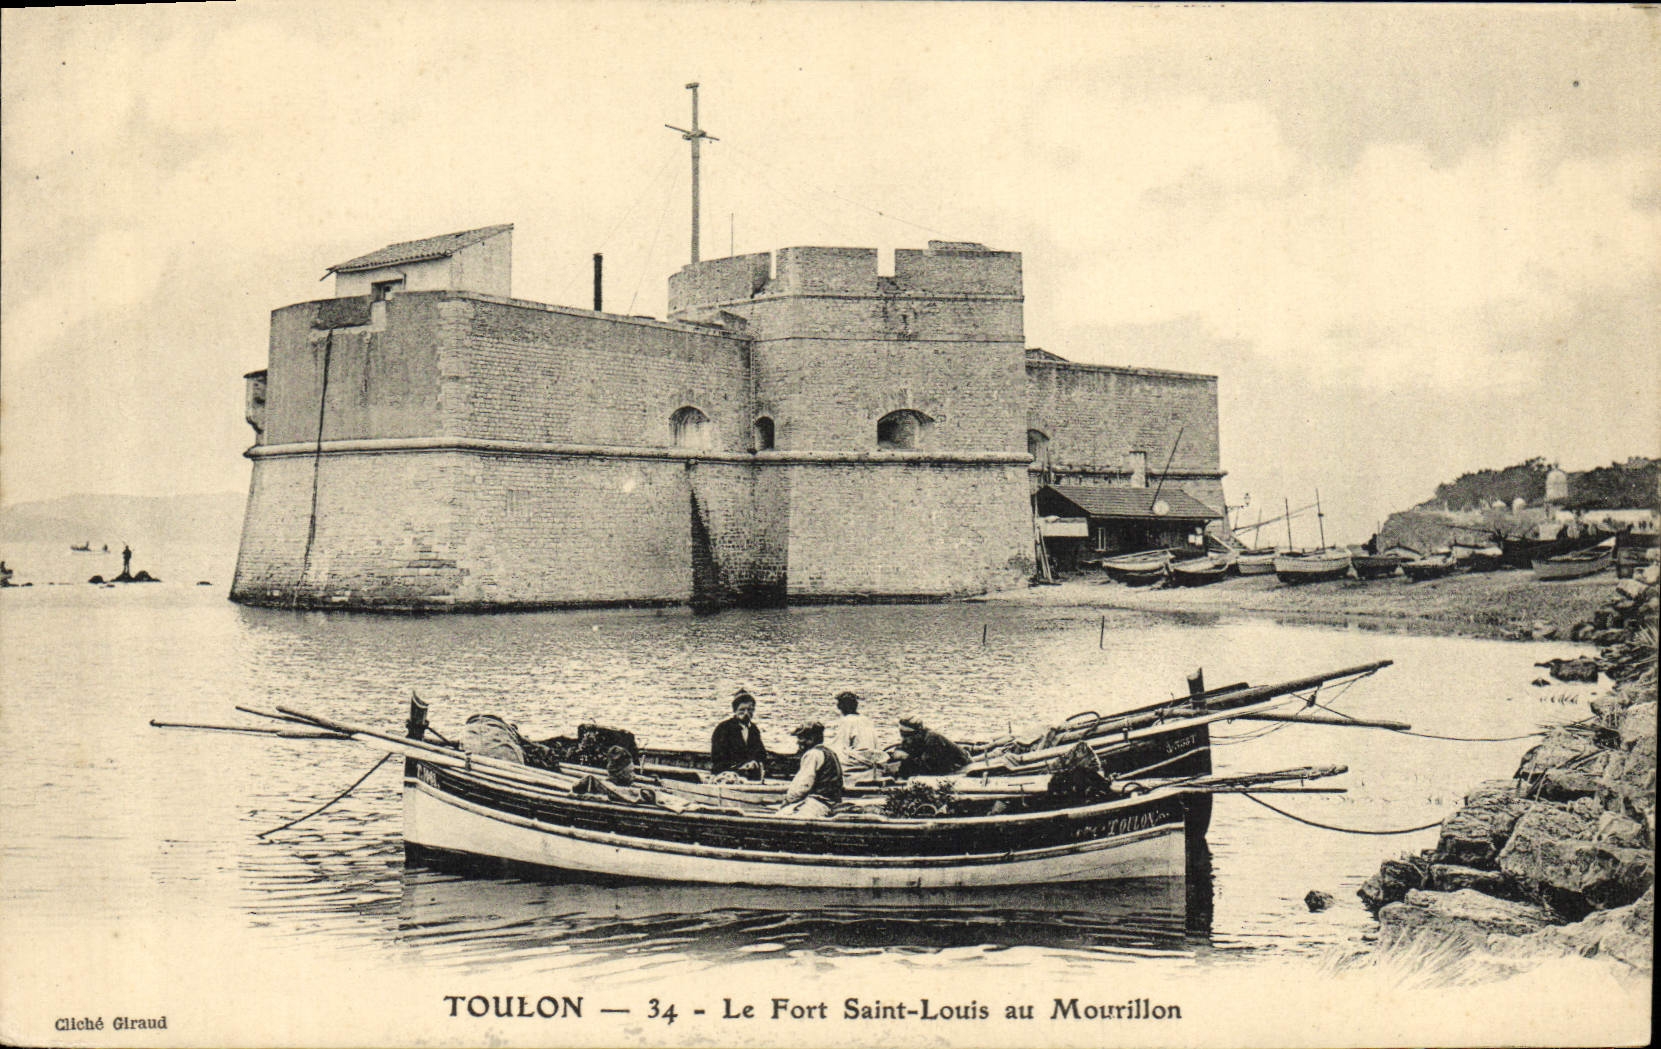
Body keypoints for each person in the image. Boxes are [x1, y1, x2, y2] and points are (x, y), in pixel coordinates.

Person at [775, 722, 843, 819]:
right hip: (832, 801)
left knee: (781, 816)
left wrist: (787, 800)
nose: (798, 742)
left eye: (800, 738)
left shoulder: (813, 754)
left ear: (811, 739)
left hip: (818, 803)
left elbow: (803, 785)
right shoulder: (830, 752)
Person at [710, 690, 768, 779]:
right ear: (735, 710)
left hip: (750, 775)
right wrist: (741, 766)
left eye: (749, 710)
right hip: (726, 774)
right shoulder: (723, 728)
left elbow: (761, 753)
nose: (746, 713)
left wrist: (755, 762)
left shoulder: (754, 729)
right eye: (742, 710)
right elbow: (718, 758)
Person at [827, 691, 884, 780]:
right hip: (871, 758)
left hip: (857, 760)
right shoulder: (866, 719)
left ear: (842, 707)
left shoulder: (847, 720)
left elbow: (840, 745)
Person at [894, 715, 970, 779]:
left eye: (906, 734)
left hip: (959, 765)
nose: (904, 738)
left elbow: (928, 766)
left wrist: (907, 757)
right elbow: (903, 748)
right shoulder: (915, 738)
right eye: (902, 733)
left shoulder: (932, 739)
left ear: (917, 732)